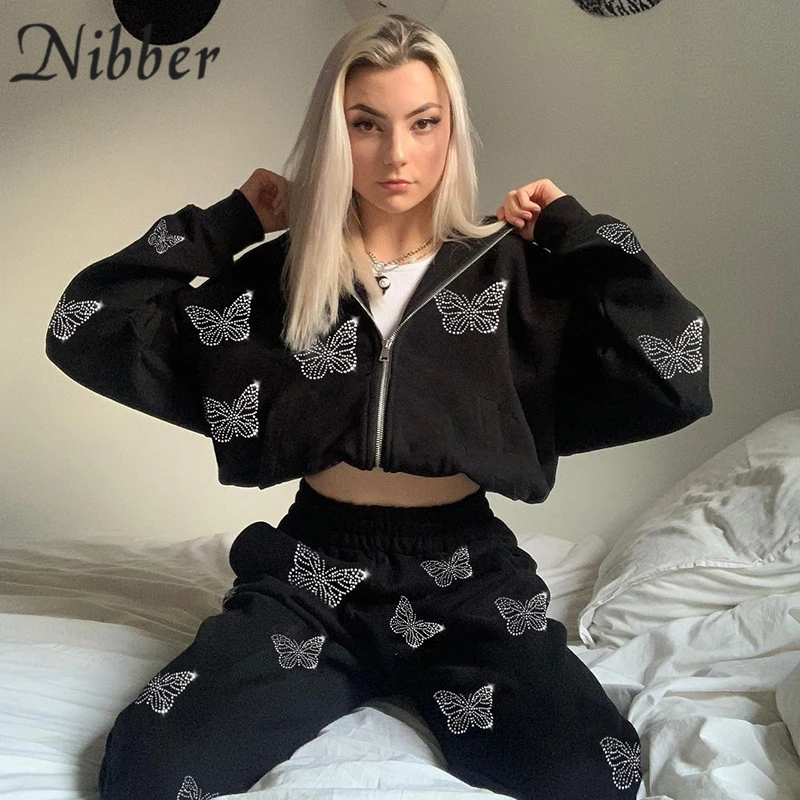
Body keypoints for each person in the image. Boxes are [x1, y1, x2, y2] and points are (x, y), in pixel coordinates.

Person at [45, 13, 711, 800]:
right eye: (367, 124)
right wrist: (230, 222)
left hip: (465, 573)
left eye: (423, 123)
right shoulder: (286, 277)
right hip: (312, 572)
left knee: (597, 774)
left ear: (451, 130)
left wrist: (577, 232)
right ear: (335, 135)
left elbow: (678, 368)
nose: (397, 154)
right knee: (148, 768)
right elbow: (83, 325)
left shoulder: (512, 275)